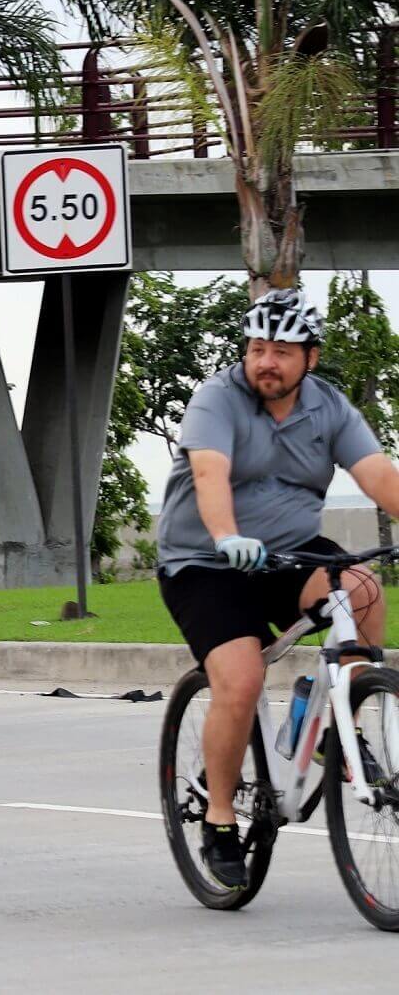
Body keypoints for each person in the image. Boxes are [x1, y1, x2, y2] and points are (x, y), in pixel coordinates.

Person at [155, 288, 399, 891]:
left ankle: (324, 715)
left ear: (310, 358)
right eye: (258, 348)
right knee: (240, 679)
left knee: (363, 589)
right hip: (205, 561)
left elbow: (379, 477)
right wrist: (226, 535)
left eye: (282, 351)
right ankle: (217, 820)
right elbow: (210, 474)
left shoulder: (330, 408)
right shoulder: (218, 398)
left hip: (289, 553)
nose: (266, 361)